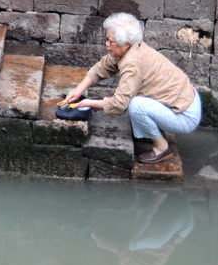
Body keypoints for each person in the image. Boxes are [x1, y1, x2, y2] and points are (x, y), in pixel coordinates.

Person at [63, 12, 202, 164]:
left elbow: (119, 104)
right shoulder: (132, 47)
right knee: (133, 99)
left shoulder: (132, 63)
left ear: (126, 43)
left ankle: (162, 148)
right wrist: (78, 90)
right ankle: (148, 133)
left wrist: (88, 103)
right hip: (185, 101)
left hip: (186, 116)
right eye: (106, 39)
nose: (106, 45)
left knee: (135, 106)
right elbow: (102, 67)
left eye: (111, 42)